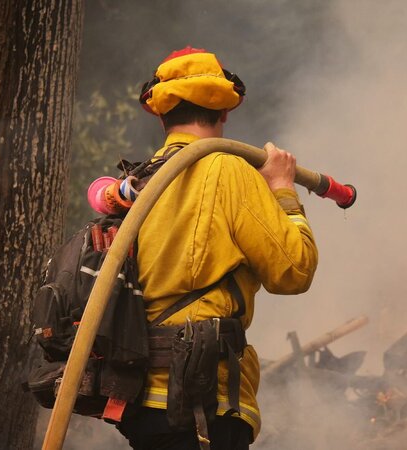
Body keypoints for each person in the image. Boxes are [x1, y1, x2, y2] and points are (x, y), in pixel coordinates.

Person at [116, 46, 318, 450]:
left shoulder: (137, 182)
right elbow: (294, 271)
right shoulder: (228, 170)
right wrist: (282, 188)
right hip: (202, 402)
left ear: (160, 114)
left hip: (141, 400)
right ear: (224, 111)